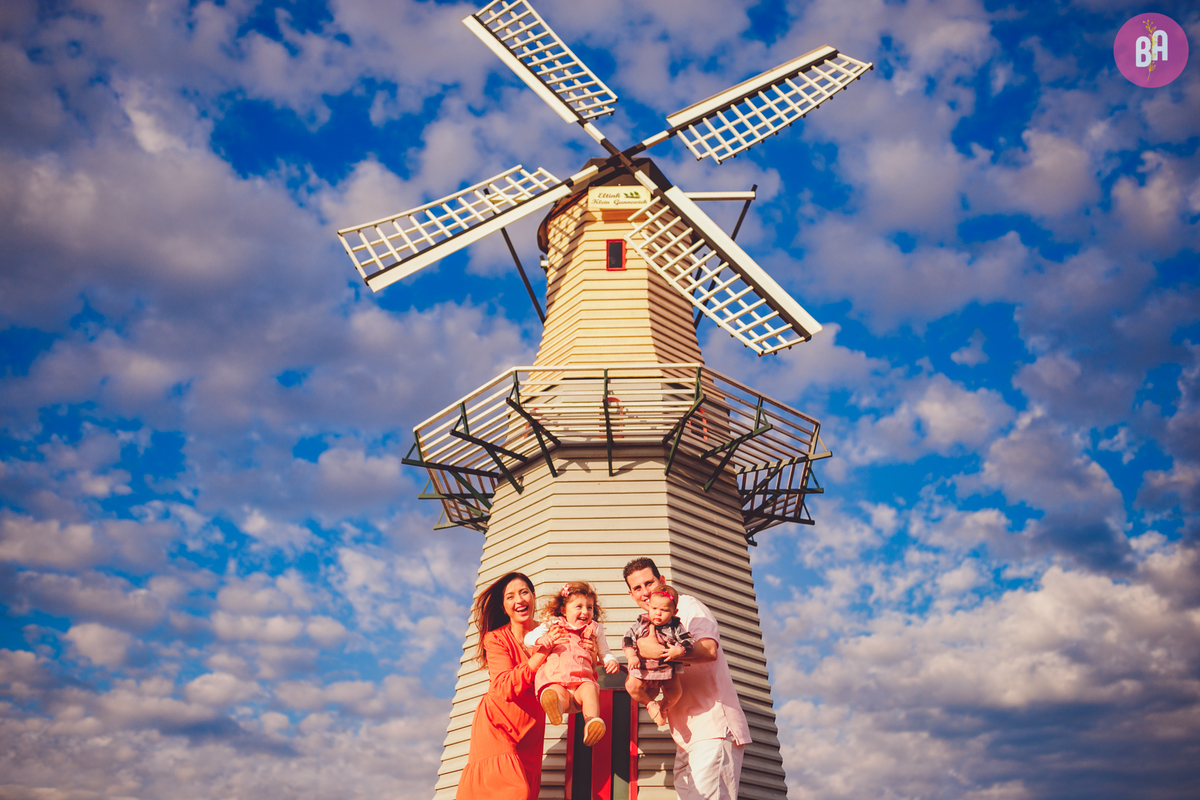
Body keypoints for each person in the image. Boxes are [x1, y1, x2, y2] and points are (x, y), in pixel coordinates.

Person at [623, 557, 751, 800]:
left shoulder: (688, 608)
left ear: (662, 581)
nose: (645, 592)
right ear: (632, 595)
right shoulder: (646, 626)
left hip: (712, 725)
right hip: (685, 735)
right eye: (637, 588)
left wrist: (665, 653)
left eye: (649, 583)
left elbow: (709, 650)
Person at [456, 572, 565, 800]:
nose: (519, 600)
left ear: (533, 596)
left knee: (523, 795)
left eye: (524, 592)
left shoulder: (550, 631)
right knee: (515, 791)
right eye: (510, 596)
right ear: (504, 607)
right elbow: (504, 686)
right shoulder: (496, 639)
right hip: (497, 725)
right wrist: (541, 654)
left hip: (531, 731)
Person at [523, 580, 621, 746]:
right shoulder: (553, 625)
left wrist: (611, 661)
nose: (585, 611)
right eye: (579, 606)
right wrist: (542, 639)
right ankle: (556, 709)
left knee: (590, 689)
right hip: (557, 679)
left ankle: (591, 723)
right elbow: (528, 639)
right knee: (555, 693)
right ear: (563, 610)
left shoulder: (594, 630)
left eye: (589, 607)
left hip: (581, 683)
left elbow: (605, 651)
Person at [623, 583, 694, 726]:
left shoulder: (675, 626)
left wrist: (679, 650)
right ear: (648, 606)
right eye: (654, 608)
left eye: (664, 610)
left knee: (675, 692)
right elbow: (628, 638)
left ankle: (663, 708)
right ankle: (650, 704)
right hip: (643, 666)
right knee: (631, 685)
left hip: (666, 667)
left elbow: (689, 641)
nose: (658, 613)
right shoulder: (641, 622)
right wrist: (631, 655)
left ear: (674, 612)